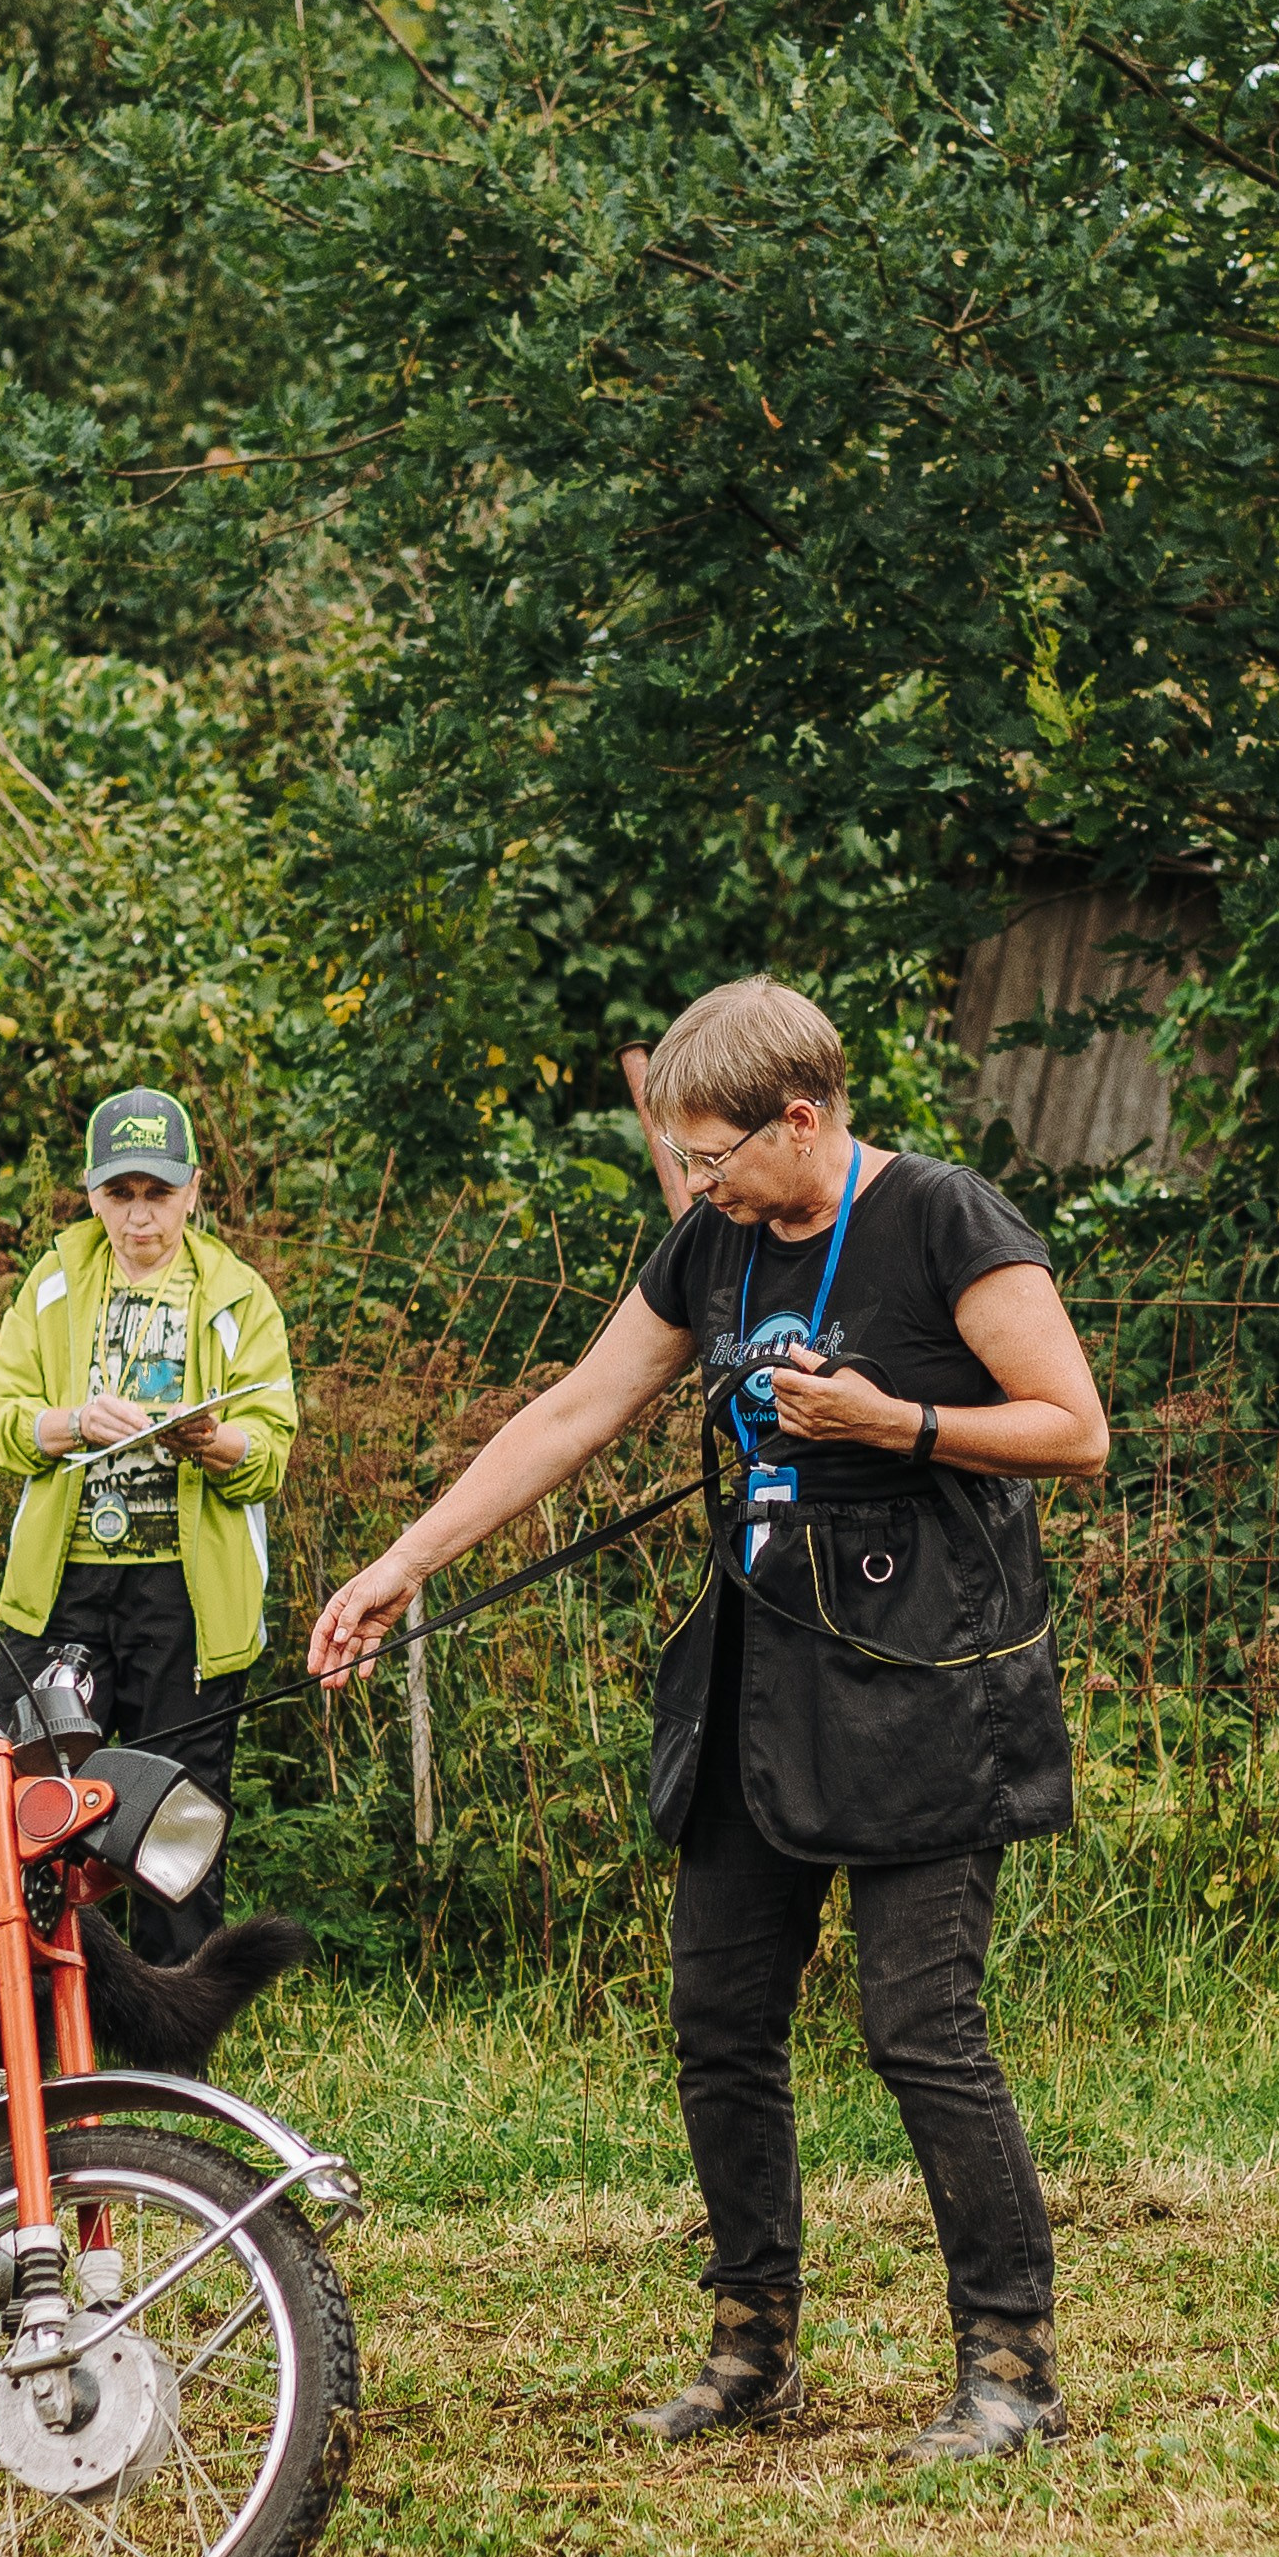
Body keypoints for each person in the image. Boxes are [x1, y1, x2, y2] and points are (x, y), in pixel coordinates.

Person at [310, 977, 1110, 2462]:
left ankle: (1012, 2369)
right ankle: (752, 2345)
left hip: (932, 1684)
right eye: (684, 1161)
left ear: (800, 1119)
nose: (695, 1183)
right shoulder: (717, 1243)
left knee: (919, 2027)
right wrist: (399, 1568)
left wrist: (895, 1422)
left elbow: (1073, 1427)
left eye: (713, 1154)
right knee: (718, 2018)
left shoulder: (946, 1220)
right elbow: (574, 1409)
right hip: (761, 1680)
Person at [0, 1086, 297, 1962]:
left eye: (158, 1194)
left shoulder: (238, 1297)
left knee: (172, 1828)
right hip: (60, 1593)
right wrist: (71, 1422)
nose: (140, 1217)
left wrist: (210, 1439)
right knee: (20, 1812)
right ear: (91, 1193)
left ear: (194, 1190)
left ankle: (173, 2053)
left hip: (184, 1602)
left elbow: (271, 1448)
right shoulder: (49, 1286)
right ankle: (24, 2033)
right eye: (121, 1195)